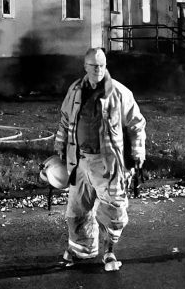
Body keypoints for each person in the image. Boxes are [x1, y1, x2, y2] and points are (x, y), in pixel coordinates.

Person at [53, 47, 146, 272]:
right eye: (94, 66)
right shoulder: (75, 90)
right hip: (79, 161)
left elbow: (136, 123)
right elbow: (65, 120)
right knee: (76, 210)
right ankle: (81, 249)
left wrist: (137, 153)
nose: (99, 69)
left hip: (107, 164)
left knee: (112, 210)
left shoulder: (119, 93)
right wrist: (59, 145)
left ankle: (109, 252)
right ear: (85, 67)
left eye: (102, 65)